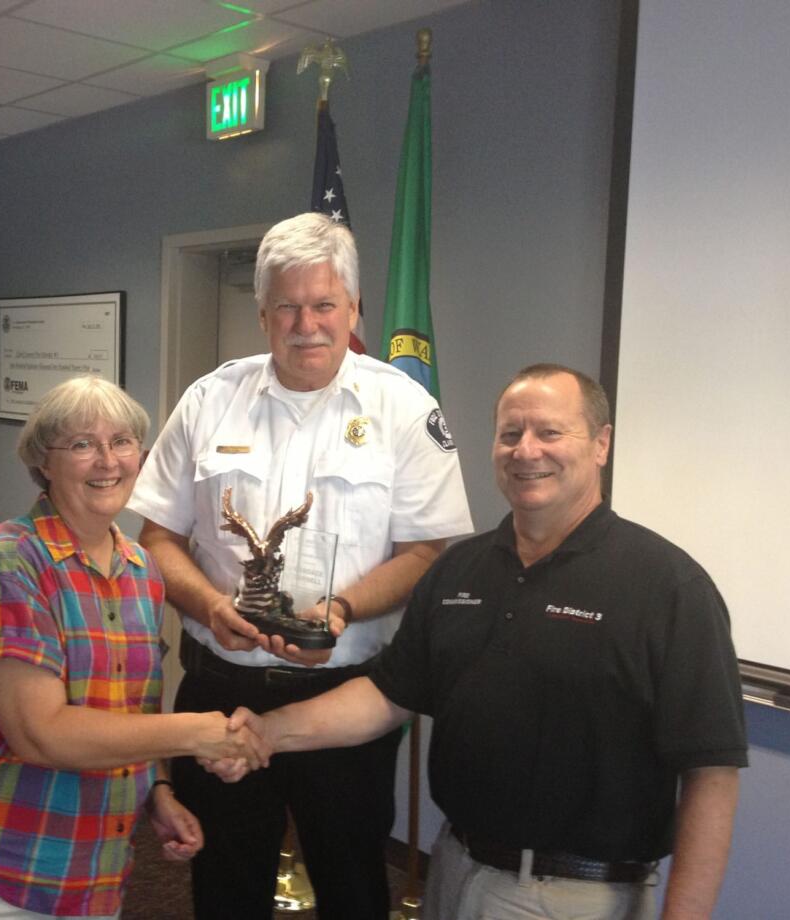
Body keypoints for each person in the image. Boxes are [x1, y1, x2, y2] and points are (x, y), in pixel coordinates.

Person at [214, 364, 748, 920]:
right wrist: (268, 733)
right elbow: (385, 696)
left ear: (601, 444)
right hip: (455, 872)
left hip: (576, 897)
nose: (526, 450)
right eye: (510, 434)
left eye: (549, 432)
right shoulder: (459, 571)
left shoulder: (668, 587)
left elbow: (711, 773)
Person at [128, 212, 473, 919]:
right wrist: (207, 607)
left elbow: (425, 552)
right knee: (224, 883)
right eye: (287, 306)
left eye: (324, 305)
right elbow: (156, 539)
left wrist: (342, 610)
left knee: (352, 885)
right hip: (221, 690)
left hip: (346, 700)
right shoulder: (208, 401)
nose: (306, 324)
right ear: (262, 315)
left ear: (354, 309)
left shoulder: (403, 408)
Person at [0, 375, 267, 919]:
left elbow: (134, 708)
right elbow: (40, 733)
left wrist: (158, 789)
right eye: (82, 444)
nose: (107, 461)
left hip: (91, 873)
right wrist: (200, 734)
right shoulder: (11, 560)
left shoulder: (141, 569)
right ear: (44, 462)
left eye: (121, 442)